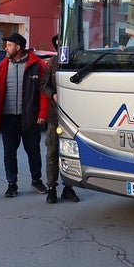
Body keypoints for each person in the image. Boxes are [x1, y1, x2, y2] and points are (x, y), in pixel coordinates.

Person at [0, 32, 49, 198]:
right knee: (9, 153)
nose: (6, 48)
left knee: (33, 151)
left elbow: (44, 92)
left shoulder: (37, 65)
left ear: (18, 47)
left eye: (8, 45)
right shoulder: (2, 66)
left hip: (29, 116)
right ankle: (11, 184)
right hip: (8, 118)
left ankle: (36, 180)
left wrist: (43, 113)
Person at [41, 35, 79, 204]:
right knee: (52, 152)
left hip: (74, 117)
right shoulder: (52, 63)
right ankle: (51, 188)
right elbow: (43, 84)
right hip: (54, 116)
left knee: (71, 153)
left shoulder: (77, 61)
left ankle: (68, 187)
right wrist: (53, 94)